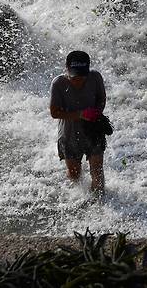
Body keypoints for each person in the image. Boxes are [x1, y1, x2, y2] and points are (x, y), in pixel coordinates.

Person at [49, 50, 106, 196]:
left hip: (93, 129)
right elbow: (54, 113)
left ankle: (99, 203)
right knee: (75, 174)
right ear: (66, 68)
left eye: (82, 76)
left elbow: (101, 99)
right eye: (74, 77)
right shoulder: (58, 83)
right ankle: (78, 197)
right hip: (69, 134)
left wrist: (97, 112)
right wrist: (80, 114)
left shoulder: (95, 77)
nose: (78, 80)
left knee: (97, 171)